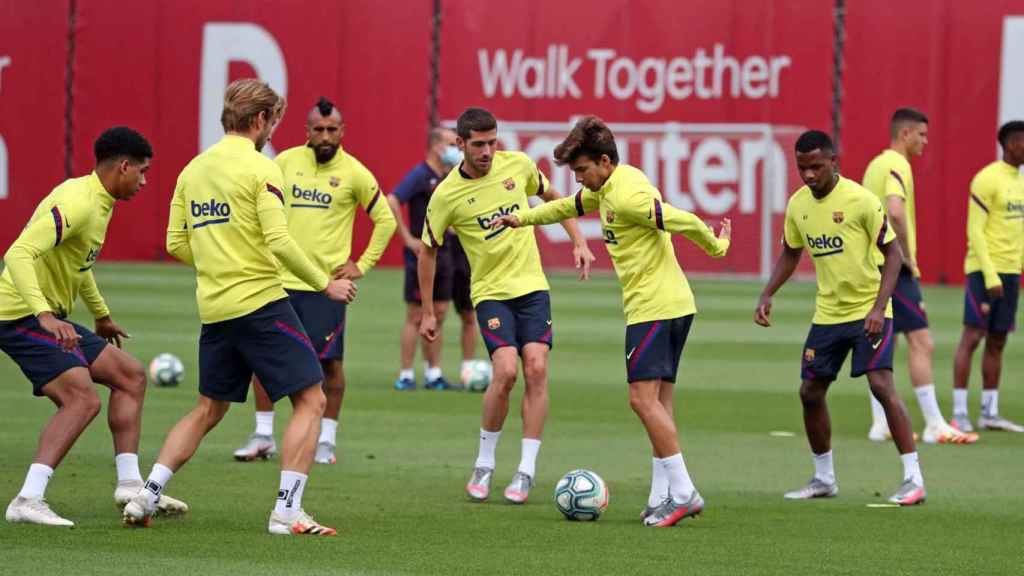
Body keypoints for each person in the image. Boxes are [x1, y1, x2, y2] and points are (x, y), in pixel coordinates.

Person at [123, 79, 356, 535]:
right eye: (273, 121)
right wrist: (325, 283)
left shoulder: (193, 169)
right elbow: (280, 242)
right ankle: (287, 511)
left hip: (215, 309)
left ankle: (146, 495)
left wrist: (217, 256)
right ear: (258, 120)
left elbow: (175, 242)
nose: (273, 131)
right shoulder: (262, 168)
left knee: (209, 408)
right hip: (261, 303)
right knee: (312, 398)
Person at [494, 116, 731, 527]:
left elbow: (682, 220)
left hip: (654, 308)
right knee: (659, 404)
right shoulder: (607, 188)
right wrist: (523, 219)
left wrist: (716, 246)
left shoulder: (626, 197)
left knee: (640, 401)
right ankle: (662, 495)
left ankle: (685, 493)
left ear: (604, 162)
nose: (580, 180)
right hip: (672, 305)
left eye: (583, 170)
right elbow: (568, 206)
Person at [1, 127, 187, 527]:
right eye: (142, 171)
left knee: (131, 375)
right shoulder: (78, 202)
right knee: (81, 399)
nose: (144, 180)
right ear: (123, 166)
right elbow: (18, 253)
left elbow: (78, 265)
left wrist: (100, 315)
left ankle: (129, 484)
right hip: (17, 315)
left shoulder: (100, 202)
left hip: (44, 314)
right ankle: (28, 499)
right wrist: (43, 315)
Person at [418, 107, 595, 504]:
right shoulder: (446, 194)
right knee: (506, 371)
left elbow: (553, 197)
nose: (487, 151)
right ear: (460, 144)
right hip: (491, 292)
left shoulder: (517, 165)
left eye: (492, 142)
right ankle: (484, 463)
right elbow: (428, 250)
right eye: (478, 144)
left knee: (536, 366)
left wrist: (578, 240)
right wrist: (429, 310)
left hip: (532, 286)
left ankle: (526, 470)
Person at [755, 130, 926, 506]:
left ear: (834, 161)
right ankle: (823, 478)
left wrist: (880, 307)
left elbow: (893, 254)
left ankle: (913, 478)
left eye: (816, 166)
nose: (809, 175)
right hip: (829, 315)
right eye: (802, 168)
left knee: (881, 385)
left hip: (869, 310)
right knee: (810, 392)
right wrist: (768, 293)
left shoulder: (861, 200)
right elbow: (790, 253)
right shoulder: (798, 205)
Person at [232, 97, 396, 465]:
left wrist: (362, 264)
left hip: (327, 288)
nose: (325, 136)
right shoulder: (285, 163)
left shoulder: (354, 173)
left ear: (342, 132)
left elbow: (386, 220)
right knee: (264, 357)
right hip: (279, 281)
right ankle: (262, 435)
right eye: (318, 130)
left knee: (330, 367)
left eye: (331, 130)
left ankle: (326, 440)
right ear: (306, 131)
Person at [861, 108, 976, 444]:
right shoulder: (898, 165)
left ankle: (880, 422)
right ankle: (934, 423)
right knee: (922, 341)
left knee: (885, 341)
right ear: (906, 134)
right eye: (922, 135)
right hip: (892, 267)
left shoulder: (875, 165)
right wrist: (907, 258)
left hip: (872, 266)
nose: (926, 142)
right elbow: (895, 211)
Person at [387, 127, 477, 391]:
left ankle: (433, 372)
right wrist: (406, 238)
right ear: (437, 146)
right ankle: (405, 373)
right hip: (421, 255)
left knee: (438, 313)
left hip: (445, 254)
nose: (456, 150)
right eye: (451, 143)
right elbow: (392, 200)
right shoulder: (420, 175)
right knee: (415, 315)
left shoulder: (448, 177)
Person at [950, 121, 1024, 433]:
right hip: (984, 271)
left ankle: (989, 413)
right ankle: (959, 413)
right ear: (1010, 143)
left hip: (1010, 273)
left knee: (998, 341)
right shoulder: (986, 178)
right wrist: (990, 274)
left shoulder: (1019, 182)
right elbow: (975, 231)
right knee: (973, 337)